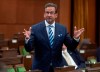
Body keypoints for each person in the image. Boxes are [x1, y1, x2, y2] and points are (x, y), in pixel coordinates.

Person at [23, 3, 84, 72]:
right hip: (40, 67)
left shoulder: (62, 29)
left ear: (56, 15)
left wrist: (75, 38)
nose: (49, 15)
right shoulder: (35, 28)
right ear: (44, 14)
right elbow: (28, 48)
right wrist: (27, 39)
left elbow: (71, 47)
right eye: (47, 13)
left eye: (51, 13)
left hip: (57, 67)